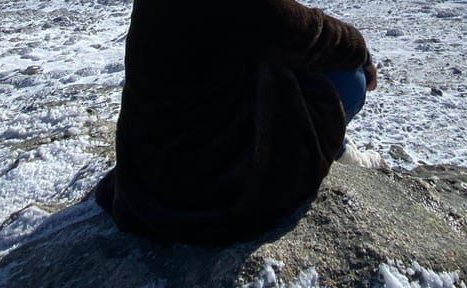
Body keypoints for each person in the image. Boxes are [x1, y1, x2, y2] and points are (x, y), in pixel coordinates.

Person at [95, 0, 381, 243]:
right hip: (211, 192)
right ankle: (338, 149)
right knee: (349, 78)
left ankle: (340, 146)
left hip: (147, 175)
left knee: (275, 55)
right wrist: (360, 51)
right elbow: (300, 31)